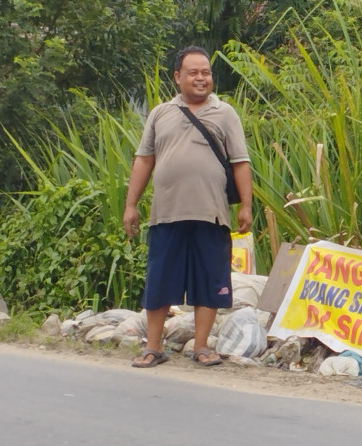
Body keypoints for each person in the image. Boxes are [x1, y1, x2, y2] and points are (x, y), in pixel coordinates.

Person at [123, 46, 253, 368]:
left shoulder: (226, 113)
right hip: (166, 214)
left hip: (212, 214)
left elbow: (240, 162)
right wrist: (131, 205)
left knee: (209, 282)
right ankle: (153, 347)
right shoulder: (160, 113)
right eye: (193, 72)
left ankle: (201, 346)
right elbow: (144, 160)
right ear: (178, 77)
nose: (201, 78)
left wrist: (246, 206)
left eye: (206, 72)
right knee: (160, 280)